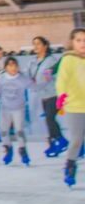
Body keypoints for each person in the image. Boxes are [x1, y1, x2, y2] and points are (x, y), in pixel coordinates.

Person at [0, 57, 32, 166]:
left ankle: (22, 149)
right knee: (3, 131)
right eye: (10, 65)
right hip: (5, 109)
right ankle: (7, 148)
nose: (13, 68)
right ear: (6, 67)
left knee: (19, 130)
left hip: (18, 108)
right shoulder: (1, 79)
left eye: (15, 65)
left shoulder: (23, 79)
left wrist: (45, 80)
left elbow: (35, 86)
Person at [28, 36, 68, 157]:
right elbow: (29, 75)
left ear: (45, 46)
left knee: (49, 118)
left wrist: (49, 77)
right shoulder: (33, 62)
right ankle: (53, 144)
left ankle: (61, 140)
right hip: (43, 95)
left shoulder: (51, 60)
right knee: (48, 120)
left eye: (38, 44)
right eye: (34, 44)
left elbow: (57, 75)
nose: (36, 46)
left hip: (53, 93)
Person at [56, 28, 85, 187]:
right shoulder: (68, 59)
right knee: (76, 140)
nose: (82, 44)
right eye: (78, 40)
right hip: (75, 106)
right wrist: (61, 95)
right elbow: (62, 80)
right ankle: (70, 166)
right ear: (72, 42)